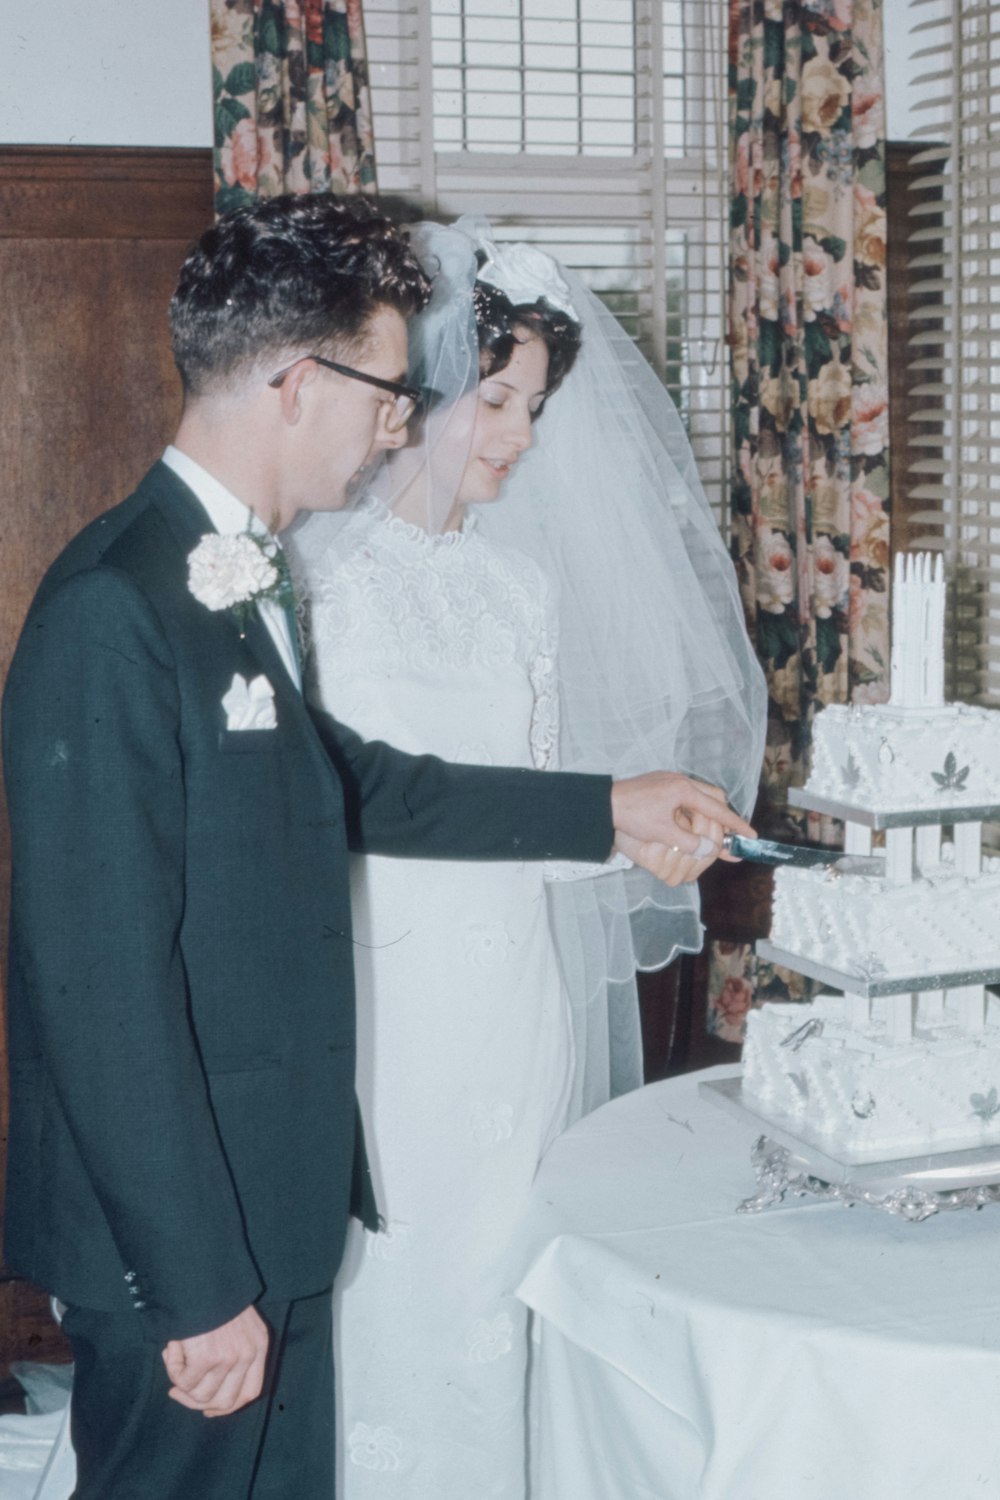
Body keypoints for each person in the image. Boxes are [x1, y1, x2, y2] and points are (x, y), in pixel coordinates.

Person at [1, 194, 756, 1500]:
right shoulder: (112, 612)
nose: (397, 424)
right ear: (300, 382)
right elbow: (99, 991)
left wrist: (609, 807)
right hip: (183, 1243)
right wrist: (196, 1288)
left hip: (275, 1201)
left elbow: (341, 785)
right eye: (387, 391)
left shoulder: (239, 573)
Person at [288, 218, 766, 1497]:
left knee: (500, 1282)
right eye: (495, 400)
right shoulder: (307, 581)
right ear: (422, 390)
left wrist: (637, 846)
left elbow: (545, 821)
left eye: (536, 409)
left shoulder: (518, 594)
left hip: (510, 1005)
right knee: (391, 1284)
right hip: (380, 1003)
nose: (517, 436)